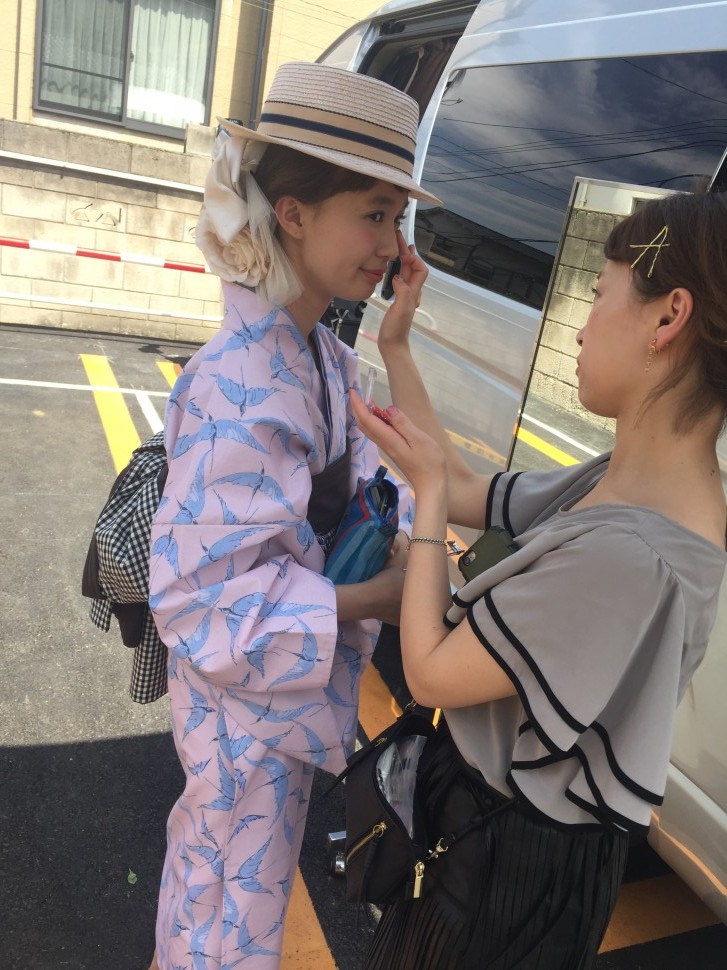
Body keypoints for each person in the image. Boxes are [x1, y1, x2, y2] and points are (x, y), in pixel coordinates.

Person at [350, 187, 727, 969]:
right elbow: (464, 487)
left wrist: (424, 508)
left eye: (598, 295)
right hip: (498, 839)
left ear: (667, 318)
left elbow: (430, 670)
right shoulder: (625, 482)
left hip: (502, 871)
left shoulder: (632, 554)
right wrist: (396, 346)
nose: (580, 327)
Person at [146, 61, 441, 970]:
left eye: (397, 218)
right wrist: (376, 596)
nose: (390, 245)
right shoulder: (241, 378)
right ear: (294, 213)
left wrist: (394, 338)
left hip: (267, 701)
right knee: (221, 925)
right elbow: (200, 602)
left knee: (218, 900)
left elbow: (407, 469)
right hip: (243, 715)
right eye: (373, 214)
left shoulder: (316, 353)